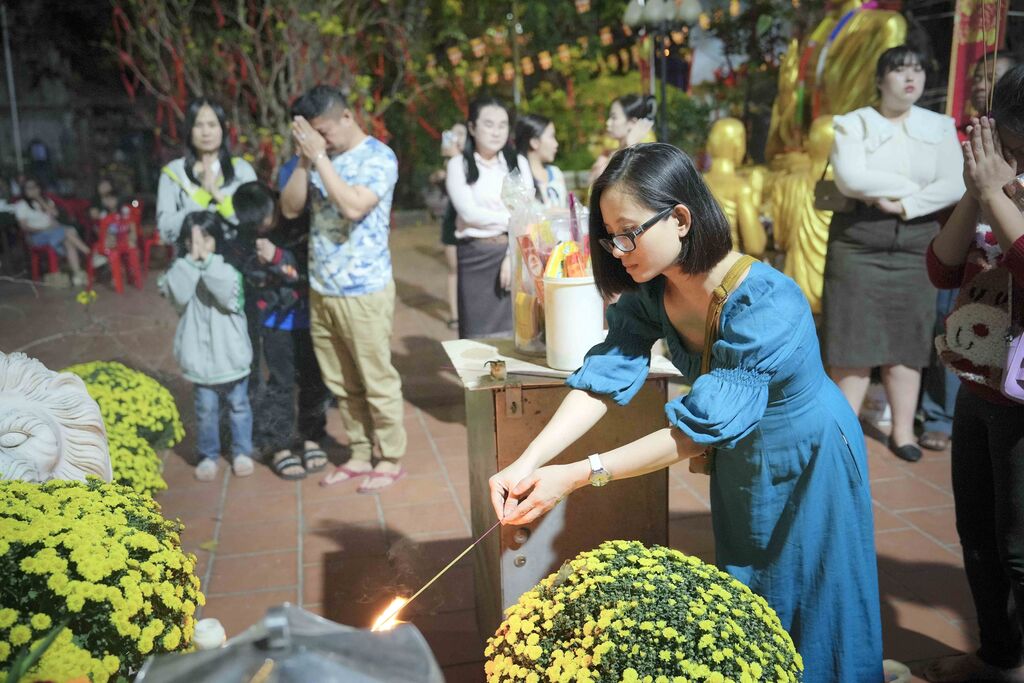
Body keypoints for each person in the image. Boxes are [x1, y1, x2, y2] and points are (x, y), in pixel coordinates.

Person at [488, 142, 883, 683]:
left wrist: (579, 474)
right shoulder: (656, 291)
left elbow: (697, 429)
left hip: (809, 455)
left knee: (820, 599)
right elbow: (603, 378)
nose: (619, 250)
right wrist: (528, 461)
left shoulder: (767, 303)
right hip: (743, 460)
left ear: (679, 218)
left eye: (629, 232)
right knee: (750, 595)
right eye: (610, 235)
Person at [922, 66, 1024, 683]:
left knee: (1019, 548)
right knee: (978, 535)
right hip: (978, 384)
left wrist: (995, 196)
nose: (1010, 162)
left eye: (1019, 150)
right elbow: (942, 269)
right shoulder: (993, 186)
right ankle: (997, 656)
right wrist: (974, 193)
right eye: (1004, 147)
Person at [823, 45, 965, 462]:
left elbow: (955, 184)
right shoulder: (853, 123)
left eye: (917, 70)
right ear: (879, 80)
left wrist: (904, 202)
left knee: (909, 338)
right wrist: (917, 187)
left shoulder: (939, 125)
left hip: (916, 241)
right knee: (850, 339)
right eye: (900, 70)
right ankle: (843, 430)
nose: (910, 78)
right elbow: (851, 178)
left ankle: (903, 431)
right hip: (858, 240)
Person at [280, 85, 407, 493]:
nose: (320, 141)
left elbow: (353, 206)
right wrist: (306, 160)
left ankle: (390, 457)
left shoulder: (378, 157)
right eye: (311, 134)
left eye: (323, 132)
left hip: (364, 290)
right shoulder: (318, 158)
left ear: (347, 117)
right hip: (323, 288)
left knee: (375, 379)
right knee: (341, 383)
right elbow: (290, 208)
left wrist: (319, 158)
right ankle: (359, 453)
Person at [233, 181, 331, 480]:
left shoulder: (298, 221)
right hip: (274, 323)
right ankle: (279, 446)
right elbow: (250, 272)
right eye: (257, 224)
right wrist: (268, 264)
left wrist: (277, 258)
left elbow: (308, 267)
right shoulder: (247, 234)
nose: (264, 227)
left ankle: (312, 436)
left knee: (314, 379)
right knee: (280, 383)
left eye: (267, 219)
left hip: (309, 316)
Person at [159, 211, 254, 482]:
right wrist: (191, 263)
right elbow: (178, 294)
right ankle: (208, 455)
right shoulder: (181, 270)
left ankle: (242, 452)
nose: (198, 247)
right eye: (192, 241)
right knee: (206, 411)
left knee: (239, 407)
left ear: (217, 239)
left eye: (205, 239)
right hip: (200, 361)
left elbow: (227, 295)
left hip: (231, 356)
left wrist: (207, 263)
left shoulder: (227, 269)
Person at [445, 96, 531, 339]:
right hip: (475, 257)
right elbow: (469, 214)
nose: (497, 132)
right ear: (472, 127)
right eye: (489, 124)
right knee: (476, 337)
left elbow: (526, 214)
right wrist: (512, 219)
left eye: (503, 125)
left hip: (512, 254)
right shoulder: (458, 165)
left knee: (517, 333)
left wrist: (511, 255)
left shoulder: (517, 162)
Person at [157, 98, 257, 244]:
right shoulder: (174, 173)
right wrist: (202, 198)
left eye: (212, 125)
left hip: (235, 254)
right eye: (198, 125)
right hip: (190, 256)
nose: (205, 132)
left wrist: (217, 195)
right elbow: (165, 230)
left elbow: (254, 221)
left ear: (223, 128)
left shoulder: (241, 171)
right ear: (189, 130)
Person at [14, 176, 96, 286]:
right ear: (24, 190)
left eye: (35, 187)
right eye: (29, 188)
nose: (33, 190)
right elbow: (24, 227)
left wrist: (40, 200)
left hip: (54, 232)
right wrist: (44, 228)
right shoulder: (21, 205)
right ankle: (90, 254)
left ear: (39, 188)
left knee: (68, 241)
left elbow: (54, 214)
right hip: (37, 236)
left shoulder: (47, 201)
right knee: (68, 231)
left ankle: (78, 274)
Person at [435, 122, 468, 328]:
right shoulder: (450, 162)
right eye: (453, 133)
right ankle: (455, 315)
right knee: (454, 268)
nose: (457, 137)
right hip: (452, 220)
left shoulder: (476, 159)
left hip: (472, 222)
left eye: (461, 133)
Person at [587, 94, 656, 186]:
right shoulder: (607, 154)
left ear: (632, 123)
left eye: (614, 117)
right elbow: (592, 183)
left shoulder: (644, 158)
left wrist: (629, 146)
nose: (608, 122)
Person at [514, 113, 567, 209]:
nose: (556, 144)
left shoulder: (556, 173)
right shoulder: (518, 179)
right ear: (534, 142)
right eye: (551, 136)